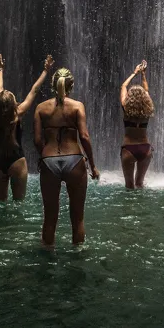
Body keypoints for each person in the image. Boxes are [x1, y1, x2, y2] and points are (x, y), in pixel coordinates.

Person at [34, 67, 99, 246]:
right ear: (71, 85)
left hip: (49, 160)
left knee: (49, 218)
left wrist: (45, 157)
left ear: (53, 84)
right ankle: (78, 258)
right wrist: (92, 165)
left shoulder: (41, 108)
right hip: (74, 160)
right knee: (77, 218)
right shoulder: (77, 106)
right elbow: (84, 137)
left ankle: (47, 258)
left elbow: (37, 140)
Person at [0, 53, 52, 201]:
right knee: (18, 204)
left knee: (0, 203)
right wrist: (45, 70)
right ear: (12, 105)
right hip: (16, 160)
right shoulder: (17, 113)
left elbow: (0, 87)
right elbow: (34, 90)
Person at [118, 60, 155, 189]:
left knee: (129, 186)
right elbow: (146, 90)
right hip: (145, 148)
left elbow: (123, 86)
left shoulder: (126, 108)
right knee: (140, 184)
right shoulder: (147, 109)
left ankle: (130, 209)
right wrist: (143, 74)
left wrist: (134, 73)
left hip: (129, 149)